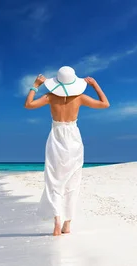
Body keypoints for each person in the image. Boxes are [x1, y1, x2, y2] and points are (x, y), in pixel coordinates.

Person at [23, 66, 110, 236]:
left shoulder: (50, 97)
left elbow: (28, 105)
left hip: (56, 137)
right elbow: (105, 104)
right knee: (73, 180)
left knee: (54, 179)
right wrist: (95, 85)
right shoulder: (80, 98)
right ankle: (67, 223)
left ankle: (57, 221)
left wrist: (35, 85)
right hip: (73, 138)